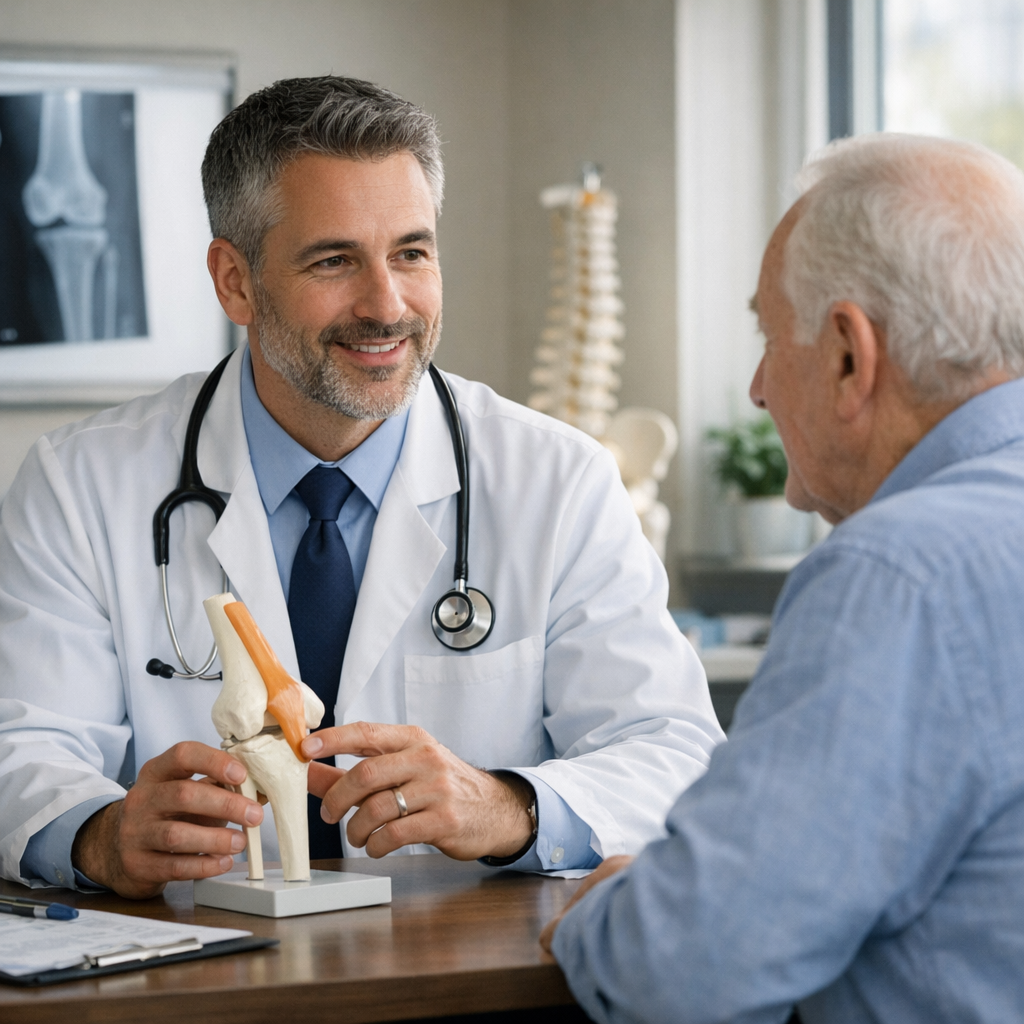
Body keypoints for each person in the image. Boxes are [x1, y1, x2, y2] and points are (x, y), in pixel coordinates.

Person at [0, 77, 723, 899]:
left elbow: (674, 752)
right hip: (194, 973)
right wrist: (100, 835)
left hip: (462, 976)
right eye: (334, 260)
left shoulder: (556, 480)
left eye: (412, 252)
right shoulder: (80, 484)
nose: (387, 306)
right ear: (235, 281)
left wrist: (509, 806)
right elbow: (20, 748)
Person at [541, 133, 1024, 1023]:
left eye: (770, 336)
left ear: (848, 355)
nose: (759, 388)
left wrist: (611, 908)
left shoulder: (898, 576)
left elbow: (680, 971)